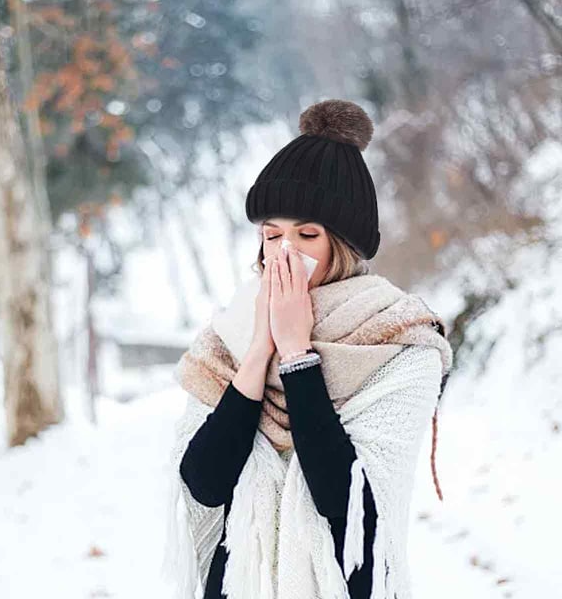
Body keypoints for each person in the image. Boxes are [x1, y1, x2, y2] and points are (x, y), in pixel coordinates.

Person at [163, 99, 454, 599]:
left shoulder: (400, 342)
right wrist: (259, 350)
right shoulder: (231, 331)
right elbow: (203, 483)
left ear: (343, 243)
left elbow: (348, 502)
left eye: (307, 234)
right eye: (271, 234)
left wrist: (298, 356)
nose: (284, 252)